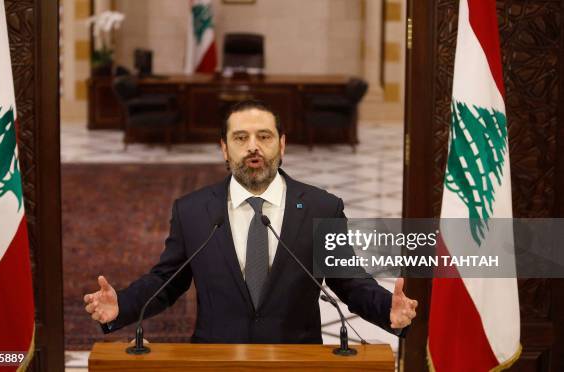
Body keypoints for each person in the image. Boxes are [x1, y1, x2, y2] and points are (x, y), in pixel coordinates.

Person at [83, 100, 417, 343]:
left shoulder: (320, 207)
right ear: (224, 149)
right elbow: (167, 281)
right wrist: (122, 305)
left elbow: (348, 282)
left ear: (282, 144)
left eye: (265, 137)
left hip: (296, 361)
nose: (253, 147)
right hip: (216, 361)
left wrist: (388, 309)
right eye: (241, 138)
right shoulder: (193, 210)